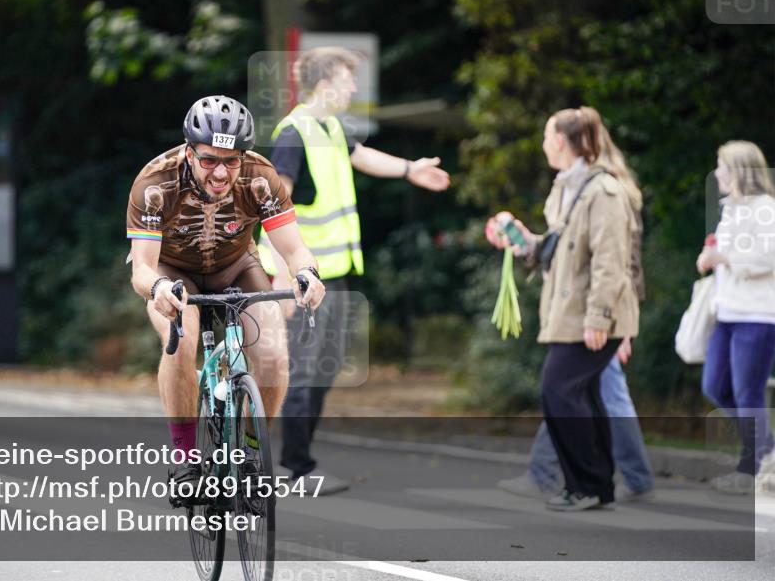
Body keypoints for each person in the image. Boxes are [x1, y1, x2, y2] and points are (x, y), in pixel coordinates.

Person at [258, 47, 450, 494]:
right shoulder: (294, 133)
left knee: (322, 370)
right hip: (302, 279)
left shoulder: (329, 127)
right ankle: (294, 469)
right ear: (325, 85)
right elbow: (274, 207)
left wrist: (410, 169)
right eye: (347, 80)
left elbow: (360, 155)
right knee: (304, 371)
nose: (352, 89)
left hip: (332, 272)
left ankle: (296, 463)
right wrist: (284, 277)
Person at [126, 95, 327, 499]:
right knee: (181, 341)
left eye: (231, 161)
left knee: (273, 356)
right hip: (173, 272)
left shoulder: (260, 177)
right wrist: (159, 289)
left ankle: (251, 452)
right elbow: (142, 269)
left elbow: (294, 249)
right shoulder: (155, 183)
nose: (220, 172)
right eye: (209, 160)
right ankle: (185, 459)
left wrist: (307, 274)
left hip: (237, 266)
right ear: (189, 152)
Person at [486, 106, 639, 512]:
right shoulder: (569, 186)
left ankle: (585, 485)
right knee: (583, 394)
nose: (542, 144)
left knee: (558, 392)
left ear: (559, 141)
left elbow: (610, 260)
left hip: (590, 315)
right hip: (571, 313)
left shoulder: (603, 191)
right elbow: (559, 250)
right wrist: (522, 240)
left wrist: (599, 318)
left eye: (545, 136)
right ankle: (594, 486)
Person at [697, 141, 775, 495]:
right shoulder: (730, 209)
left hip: (757, 316)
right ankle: (766, 451)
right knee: (715, 386)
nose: (717, 173)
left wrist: (723, 258)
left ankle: (753, 466)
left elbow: (767, 259)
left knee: (748, 394)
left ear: (741, 170)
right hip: (726, 312)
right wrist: (710, 257)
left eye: (722, 166)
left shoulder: (766, 209)